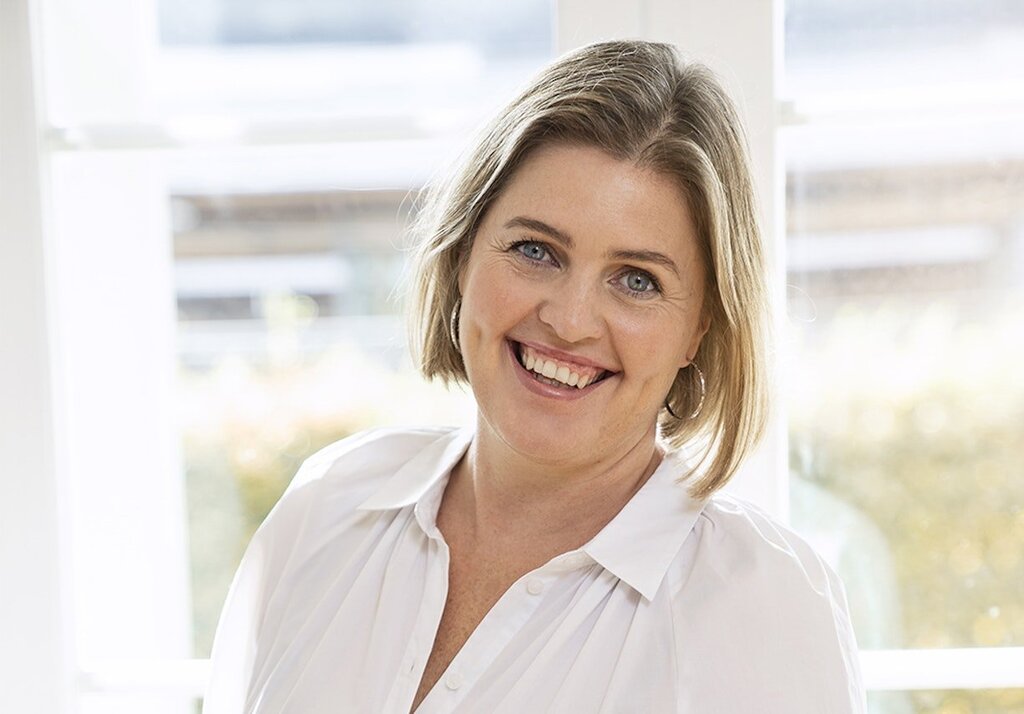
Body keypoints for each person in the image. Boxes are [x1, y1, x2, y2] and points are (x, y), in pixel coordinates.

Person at [203, 40, 866, 713]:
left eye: (637, 280)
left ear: (700, 327)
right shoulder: (328, 506)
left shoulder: (760, 605)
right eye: (535, 250)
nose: (570, 321)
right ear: (463, 254)